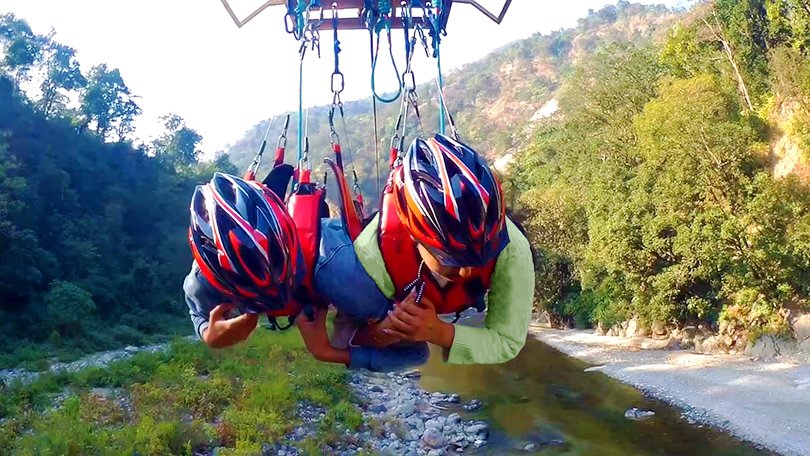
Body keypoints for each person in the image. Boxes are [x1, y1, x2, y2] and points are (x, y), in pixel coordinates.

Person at [314, 133, 535, 365]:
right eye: (451, 262)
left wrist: (438, 332)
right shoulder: (370, 260)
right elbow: (348, 336)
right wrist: (380, 332)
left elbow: (508, 340)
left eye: (480, 259)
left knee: (415, 356)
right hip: (356, 266)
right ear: (414, 238)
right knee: (349, 289)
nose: (466, 273)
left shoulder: (513, 251)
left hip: (407, 307)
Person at [183, 172, 428, 371]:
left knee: (367, 313)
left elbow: (417, 351)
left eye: (284, 275)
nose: (277, 291)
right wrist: (213, 337)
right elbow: (203, 322)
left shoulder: (340, 274)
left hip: (339, 264)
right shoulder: (201, 285)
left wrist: (327, 352)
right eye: (251, 290)